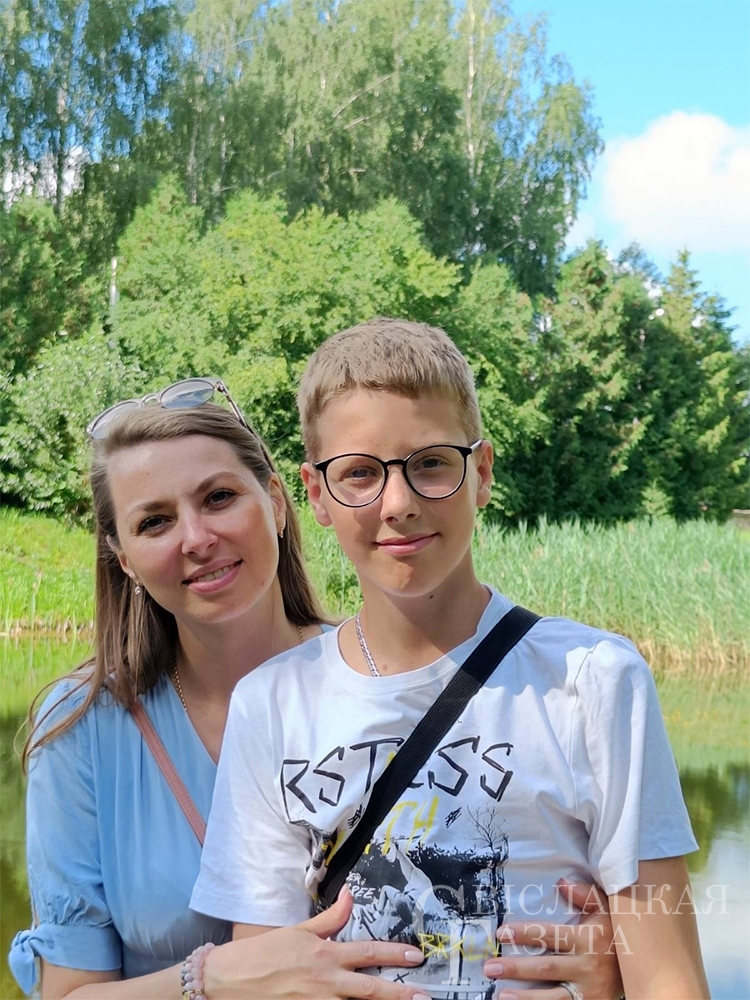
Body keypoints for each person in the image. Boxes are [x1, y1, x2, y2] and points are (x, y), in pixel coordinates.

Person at [9, 378, 619, 1000]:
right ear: (124, 557)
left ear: (278, 502)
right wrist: (210, 979)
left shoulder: (390, 680)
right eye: (155, 521)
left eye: (219, 497)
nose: (196, 538)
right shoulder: (81, 727)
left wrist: (610, 962)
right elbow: (67, 994)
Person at [191, 321, 710, 1000]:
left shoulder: (593, 679)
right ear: (316, 494)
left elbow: (668, 979)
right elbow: (262, 976)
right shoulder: (271, 704)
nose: (399, 504)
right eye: (359, 473)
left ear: (482, 473)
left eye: (431, 463)